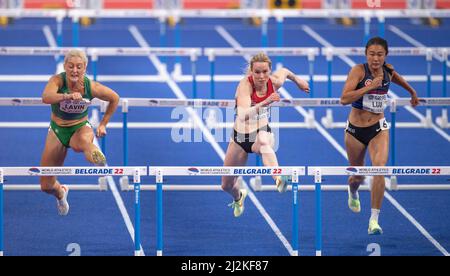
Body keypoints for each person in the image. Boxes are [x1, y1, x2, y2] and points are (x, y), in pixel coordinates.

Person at [340, 37, 420, 234]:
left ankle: (374, 220)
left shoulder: (388, 71)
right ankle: (353, 190)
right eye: (372, 54)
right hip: (355, 131)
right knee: (357, 176)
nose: (375, 59)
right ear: (365, 54)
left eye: (379, 55)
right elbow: (344, 99)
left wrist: (412, 92)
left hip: (378, 128)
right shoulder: (358, 71)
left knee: (379, 169)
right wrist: (370, 86)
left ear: (385, 56)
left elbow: (396, 78)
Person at [222, 52, 310, 217]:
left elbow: (284, 71)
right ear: (251, 71)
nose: (261, 76)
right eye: (257, 72)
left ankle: (278, 178)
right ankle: (239, 197)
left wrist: (298, 81)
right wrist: (266, 102)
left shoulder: (274, 82)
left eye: (265, 72)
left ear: (269, 71)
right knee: (226, 185)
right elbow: (242, 114)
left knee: (264, 141)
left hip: (261, 132)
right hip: (240, 138)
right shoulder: (245, 85)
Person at [40, 49, 120, 216]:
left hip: (80, 126)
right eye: (71, 66)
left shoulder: (92, 86)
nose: (74, 70)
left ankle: (98, 158)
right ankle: (61, 192)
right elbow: (46, 97)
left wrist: (103, 124)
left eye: (79, 67)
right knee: (46, 186)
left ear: (85, 67)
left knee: (83, 143)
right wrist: (66, 97)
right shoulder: (57, 81)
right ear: (65, 66)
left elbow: (114, 98)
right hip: (57, 130)